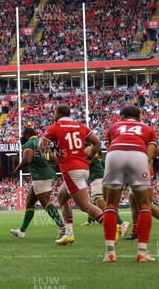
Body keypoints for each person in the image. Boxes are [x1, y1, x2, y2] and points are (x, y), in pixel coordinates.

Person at [38, 104, 104, 245]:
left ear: (57, 114)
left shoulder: (54, 127)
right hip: (84, 167)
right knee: (61, 198)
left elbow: (41, 147)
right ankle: (68, 233)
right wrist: (89, 158)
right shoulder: (80, 126)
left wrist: (51, 154)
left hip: (71, 169)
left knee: (85, 205)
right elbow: (97, 143)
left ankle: (111, 225)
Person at [101, 105, 159, 262]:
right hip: (138, 155)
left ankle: (110, 254)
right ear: (139, 116)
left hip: (114, 154)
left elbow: (108, 148)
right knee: (145, 206)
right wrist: (144, 166)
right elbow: (152, 150)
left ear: (122, 117)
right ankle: (142, 253)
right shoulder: (147, 128)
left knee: (110, 206)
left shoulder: (113, 127)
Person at [10, 128, 65, 241]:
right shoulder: (41, 143)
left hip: (41, 176)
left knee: (45, 201)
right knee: (30, 201)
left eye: (23, 135)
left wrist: (17, 168)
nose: (21, 137)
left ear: (28, 135)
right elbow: (55, 159)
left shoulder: (30, 143)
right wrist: (49, 169)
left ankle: (62, 226)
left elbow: (27, 159)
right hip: (43, 175)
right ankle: (22, 230)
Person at [125, 145, 159, 241]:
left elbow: (157, 150)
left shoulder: (144, 135)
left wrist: (147, 161)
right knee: (133, 200)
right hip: (137, 171)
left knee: (145, 204)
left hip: (142, 172)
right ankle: (135, 232)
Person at [81, 146, 130, 238]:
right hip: (97, 176)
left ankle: (121, 223)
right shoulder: (91, 148)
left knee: (99, 201)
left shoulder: (87, 147)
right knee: (99, 202)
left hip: (97, 176)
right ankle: (92, 221)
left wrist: (84, 162)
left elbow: (92, 156)